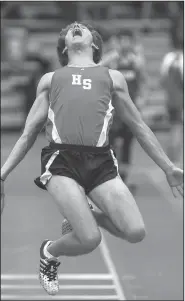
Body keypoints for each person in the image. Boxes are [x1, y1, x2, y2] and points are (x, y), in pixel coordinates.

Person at [1, 22, 183, 296]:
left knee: (135, 231)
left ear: (94, 44)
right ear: (65, 47)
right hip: (62, 161)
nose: (76, 26)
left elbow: (140, 127)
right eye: (72, 28)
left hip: (101, 163)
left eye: (82, 27)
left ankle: (93, 216)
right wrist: (2, 174)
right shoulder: (51, 80)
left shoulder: (113, 79)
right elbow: (28, 134)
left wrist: (168, 167)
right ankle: (49, 252)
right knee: (89, 240)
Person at [109, 29, 148, 182]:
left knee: (126, 146)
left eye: (127, 40)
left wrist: (142, 99)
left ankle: (123, 180)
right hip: (112, 111)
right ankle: (111, 176)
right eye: (122, 40)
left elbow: (144, 82)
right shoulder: (112, 60)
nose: (125, 43)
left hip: (130, 111)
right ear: (117, 42)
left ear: (132, 43)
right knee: (109, 145)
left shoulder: (136, 62)